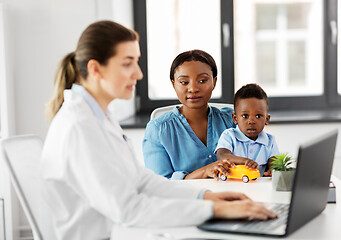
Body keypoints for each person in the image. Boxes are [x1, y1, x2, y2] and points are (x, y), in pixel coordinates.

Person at [41, 21, 276, 240]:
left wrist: (206, 196)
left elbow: (141, 180)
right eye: (127, 63)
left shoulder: (99, 117)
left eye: (137, 62)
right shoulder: (79, 127)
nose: (138, 73)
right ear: (96, 69)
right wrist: (216, 209)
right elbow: (129, 209)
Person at [143, 50, 237, 180]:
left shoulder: (232, 120)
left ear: (214, 82)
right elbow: (160, 185)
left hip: (235, 197)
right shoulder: (157, 130)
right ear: (173, 84)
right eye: (184, 82)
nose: (193, 88)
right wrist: (204, 172)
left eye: (203, 80)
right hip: (186, 200)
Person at [215, 83, 280, 177]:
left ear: (267, 119)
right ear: (235, 118)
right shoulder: (229, 135)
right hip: (231, 185)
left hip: (258, 187)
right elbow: (222, 156)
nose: (251, 121)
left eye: (258, 116)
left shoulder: (270, 141)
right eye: (245, 116)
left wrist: (273, 171)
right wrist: (244, 161)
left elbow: (275, 164)